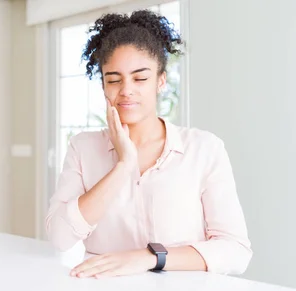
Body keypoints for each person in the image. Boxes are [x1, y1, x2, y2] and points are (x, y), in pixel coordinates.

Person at [45, 9, 252, 279]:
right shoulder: (82, 148)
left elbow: (236, 251)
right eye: (113, 79)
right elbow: (60, 238)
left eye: (140, 78)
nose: (126, 90)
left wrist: (149, 257)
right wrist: (123, 166)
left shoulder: (204, 148)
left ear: (160, 81)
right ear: (104, 86)